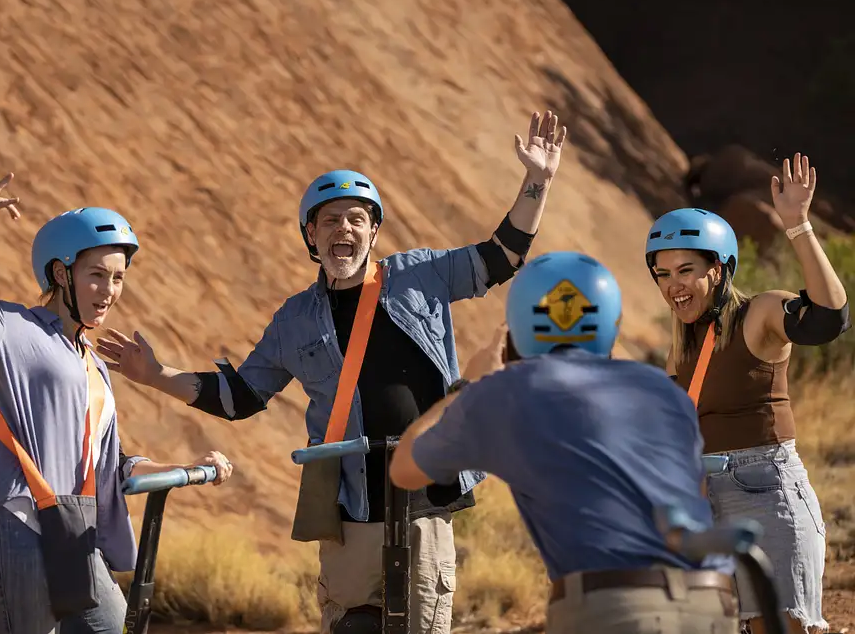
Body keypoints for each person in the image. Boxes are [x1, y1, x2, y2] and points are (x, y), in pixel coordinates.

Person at [96, 110, 569, 634]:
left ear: (373, 231)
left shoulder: (421, 274)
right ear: (312, 237)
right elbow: (240, 396)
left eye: (355, 218)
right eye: (329, 220)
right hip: (350, 515)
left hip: (425, 502)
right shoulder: (294, 320)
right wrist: (156, 373)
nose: (343, 228)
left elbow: (502, 255)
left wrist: (536, 181)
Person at [0, 173, 234, 634]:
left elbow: (113, 468)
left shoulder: (95, 366)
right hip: (17, 523)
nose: (109, 290)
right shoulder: (14, 325)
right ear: (62, 274)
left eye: (118, 278)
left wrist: (186, 468)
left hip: (75, 533)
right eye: (96, 275)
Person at [388, 251, 740, 634]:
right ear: (610, 323)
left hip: (610, 607)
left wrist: (470, 387)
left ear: (518, 330)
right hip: (711, 603)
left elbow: (405, 467)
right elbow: (694, 493)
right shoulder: (661, 389)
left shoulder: (504, 393)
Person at [644, 154, 850, 634]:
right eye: (663, 273)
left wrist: (797, 226)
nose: (673, 284)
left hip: (765, 493)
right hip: (700, 504)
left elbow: (829, 319)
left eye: (685, 269)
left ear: (718, 270)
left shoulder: (759, 313)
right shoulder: (680, 353)